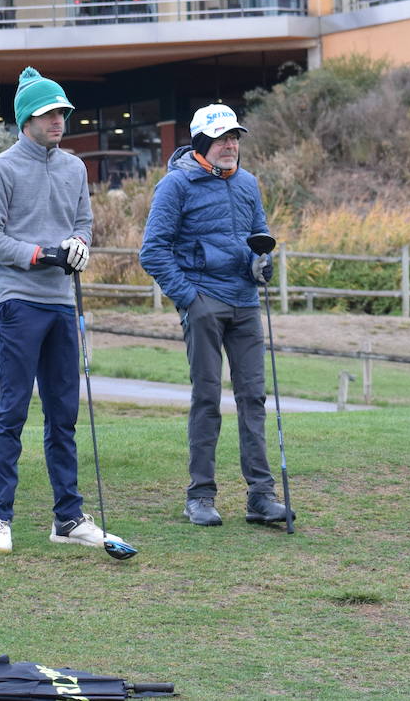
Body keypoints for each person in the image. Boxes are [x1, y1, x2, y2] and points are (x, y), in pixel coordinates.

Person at [0, 66, 124, 554]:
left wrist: (79, 245)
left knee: (63, 415)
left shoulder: (74, 168)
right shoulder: (1, 168)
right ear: (26, 120)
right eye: (47, 113)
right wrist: (38, 253)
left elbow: (83, 222)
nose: (58, 119)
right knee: (12, 411)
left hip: (60, 303)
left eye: (61, 111)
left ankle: (68, 518)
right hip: (15, 302)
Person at [139, 104, 291, 528]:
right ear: (203, 141)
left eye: (236, 137)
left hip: (244, 303)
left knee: (253, 399)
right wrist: (191, 298)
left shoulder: (247, 184)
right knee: (207, 399)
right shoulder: (176, 186)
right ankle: (200, 496)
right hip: (203, 303)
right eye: (223, 138)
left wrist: (262, 266)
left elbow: (258, 241)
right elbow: (152, 251)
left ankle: (260, 497)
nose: (231, 145)